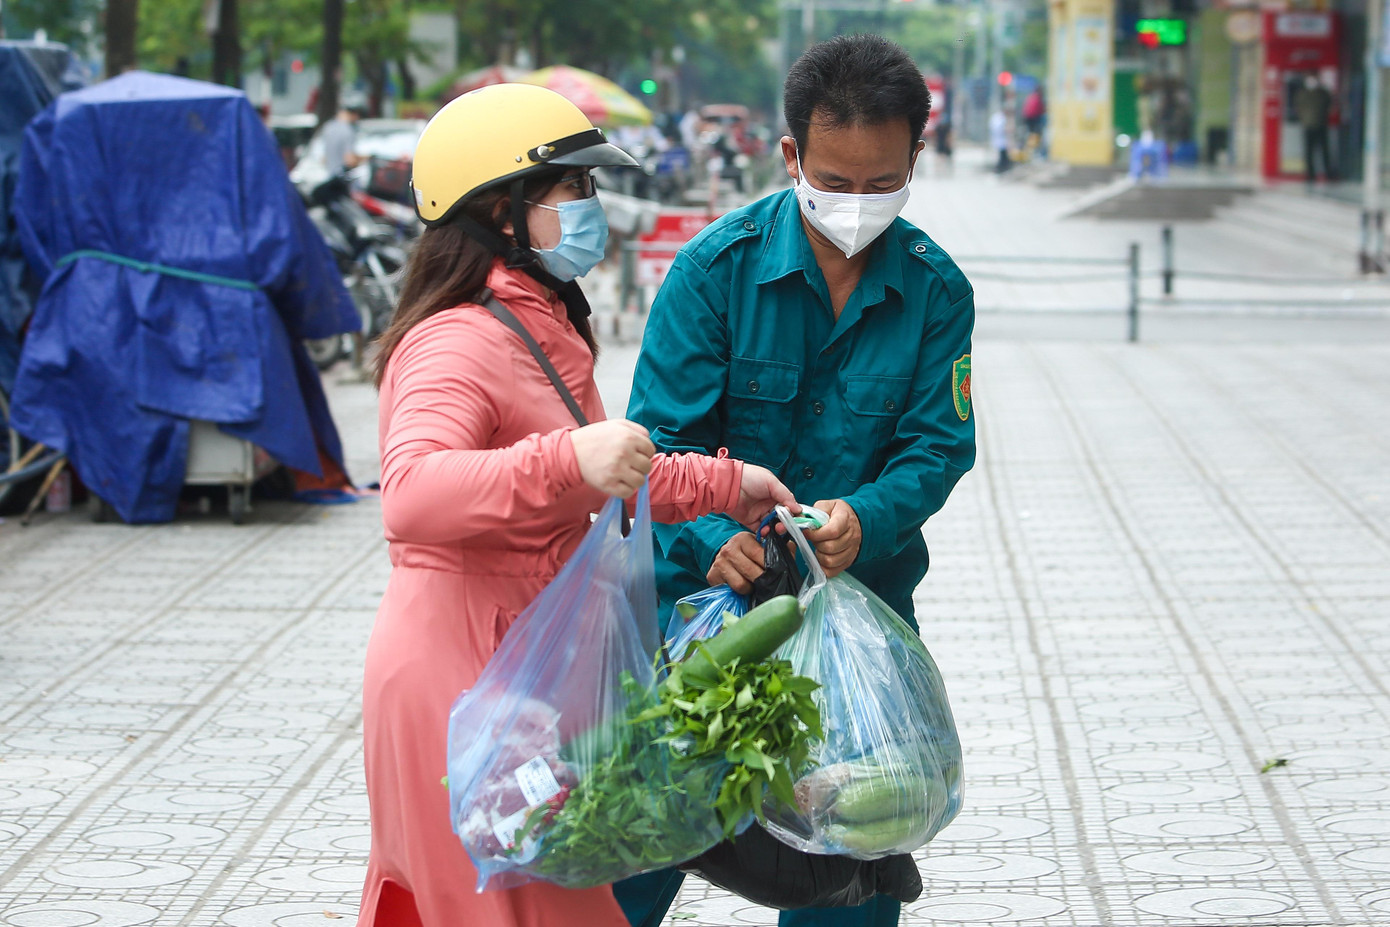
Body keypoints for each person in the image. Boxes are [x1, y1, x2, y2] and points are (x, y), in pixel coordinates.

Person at [359, 83, 799, 927]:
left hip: (524, 662)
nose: (591, 209)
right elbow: (411, 494)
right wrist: (566, 456)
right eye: (572, 189)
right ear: (501, 206)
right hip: (462, 675)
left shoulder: (537, 321)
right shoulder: (458, 338)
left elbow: (597, 475)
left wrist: (723, 484)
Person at [615, 33, 976, 927]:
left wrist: (868, 516)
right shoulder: (712, 272)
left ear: (915, 159)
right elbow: (656, 448)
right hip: (699, 629)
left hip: (862, 622)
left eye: (881, 183)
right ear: (790, 157)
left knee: (847, 878)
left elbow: (938, 447)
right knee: (633, 858)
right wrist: (710, 536)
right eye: (836, 182)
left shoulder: (936, 290)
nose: (857, 204)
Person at [1294, 73, 1335, 183]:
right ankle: (1311, 174)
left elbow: (1329, 104)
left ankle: (1327, 173)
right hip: (1309, 126)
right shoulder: (1302, 94)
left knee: (1324, 151)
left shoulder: (1322, 93)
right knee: (1309, 152)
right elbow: (1298, 108)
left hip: (1321, 125)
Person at [320, 97, 366, 174]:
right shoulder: (348, 130)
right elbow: (350, 160)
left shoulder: (328, 127)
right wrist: (366, 159)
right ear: (354, 114)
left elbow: (324, 159)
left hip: (330, 176)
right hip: (342, 178)